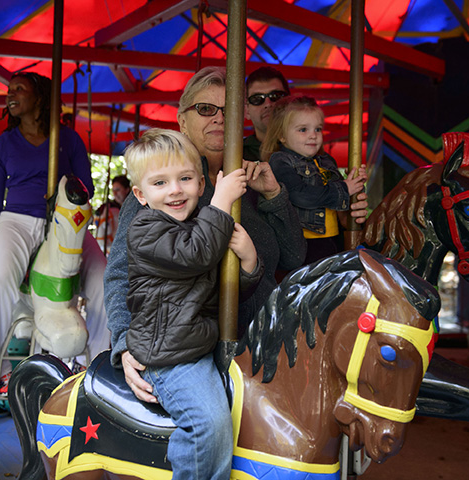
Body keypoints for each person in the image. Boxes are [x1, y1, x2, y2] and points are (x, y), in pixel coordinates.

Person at [105, 66, 311, 404]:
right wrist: (126, 342)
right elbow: (120, 275)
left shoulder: (253, 178)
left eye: (228, 110)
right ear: (182, 120)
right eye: (205, 109)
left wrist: (274, 195)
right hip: (195, 350)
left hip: (266, 346)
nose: (218, 118)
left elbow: (292, 257)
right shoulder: (163, 189)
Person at [124, 129, 259, 479]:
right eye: (160, 183)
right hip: (171, 355)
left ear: (201, 184)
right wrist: (222, 203)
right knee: (209, 424)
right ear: (140, 194)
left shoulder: (203, 227)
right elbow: (194, 255)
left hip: (200, 343)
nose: (175, 190)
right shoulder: (145, 231)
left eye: (185, 178)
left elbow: (223, 291)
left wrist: (248, 262)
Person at [0, 71, 110, 390]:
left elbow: (87, 187)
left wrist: (62, 187)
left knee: (104, 280)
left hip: (61, 220)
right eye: (9, 90)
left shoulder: (68, 139)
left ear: (38, 96)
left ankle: (99, 361)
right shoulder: (4, 144)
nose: (10, 94)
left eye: (18, 89)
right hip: (16, 220)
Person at [262, 95, 367, 265]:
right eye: (303, 130)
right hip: (305, 244)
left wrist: (356, 184)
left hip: (333, 240)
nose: (313, 136)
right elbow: (299, 195)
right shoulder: (281, 161)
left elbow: (342, 201)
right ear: (281, 136)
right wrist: (344, 189)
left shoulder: (326, 161)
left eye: (317, 129)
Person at [243, 66, 291, 162]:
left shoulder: (310, 149)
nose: (268, 104)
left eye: (276, 96)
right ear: (247, 111)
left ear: (290, 102)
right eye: (257, 99)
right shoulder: (234, 156)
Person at [94, 175, 131, 255]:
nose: (114, 193)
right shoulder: (109, 208)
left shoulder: (134, 207)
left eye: (118, 190)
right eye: (113, 190)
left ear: (127, 190)